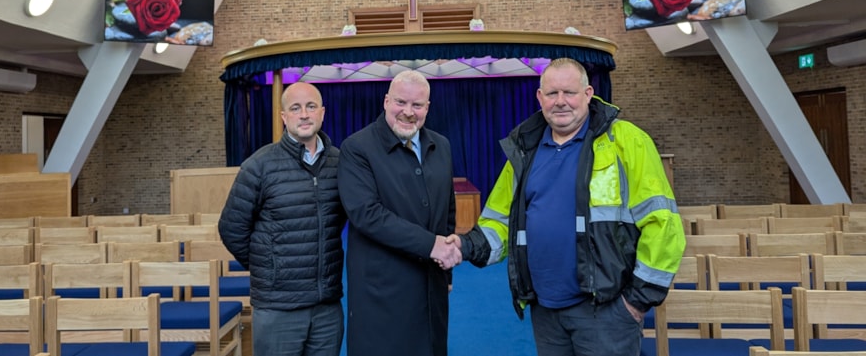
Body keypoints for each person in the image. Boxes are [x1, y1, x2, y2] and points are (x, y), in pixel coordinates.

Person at [454, 58, 686, 356]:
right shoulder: (525, 150)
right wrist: (462, 245)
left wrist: (636, 301)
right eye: (552, 94)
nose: (560, 101)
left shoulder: (627, 141)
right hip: (546, 310)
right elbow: (500, 222)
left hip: (606, 312)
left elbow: (663, 224)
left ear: (588, 94)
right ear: (540, 98)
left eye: (569, 92)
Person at [338, 70, 461, 356]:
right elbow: (366, 214)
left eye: (417, 105)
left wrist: (448, 269)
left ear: (427, 108)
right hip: (381, 295)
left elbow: (447, 211)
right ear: (385, 102)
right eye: (400, 103)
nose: (408, 112)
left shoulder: (441, 145)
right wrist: (432, 246)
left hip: (432, 286)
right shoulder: (357, 148)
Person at [219, 81, 345, 356]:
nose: (304, 114)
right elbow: (231, 228)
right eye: (296, 108)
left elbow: (343, 221)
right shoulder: (259, 166)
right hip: (278, 308)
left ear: (322, 113)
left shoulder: (341, 163)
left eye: (311, 107)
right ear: (284, 116)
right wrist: (270, 266)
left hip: (326, 308)